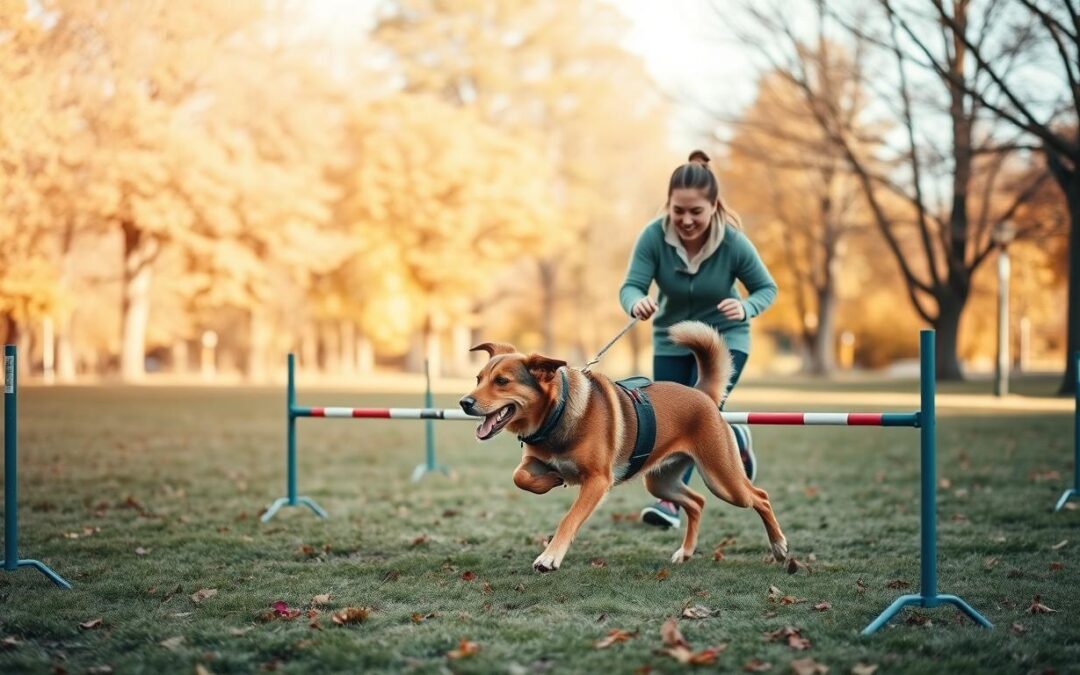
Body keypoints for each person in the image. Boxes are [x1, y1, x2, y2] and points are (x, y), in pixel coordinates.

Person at [619, 149, 777, 529]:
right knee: (667, 418)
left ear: (714, 206)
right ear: (669, 205)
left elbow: (765, 288)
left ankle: (672, 504)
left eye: (696, 212)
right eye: (678, 211)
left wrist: (747, 308)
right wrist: (636, 301)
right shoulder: (653, 237)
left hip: (727, 338)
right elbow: (631, 285)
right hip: (672, 339)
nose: (686, 220)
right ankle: (732, 438)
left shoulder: (733, 243)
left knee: (698, 407)